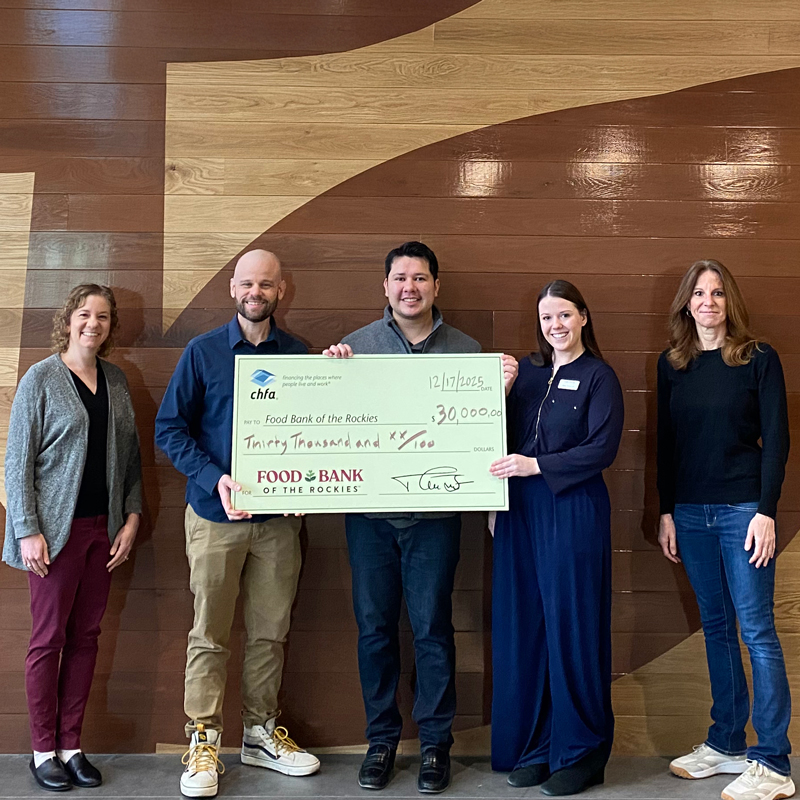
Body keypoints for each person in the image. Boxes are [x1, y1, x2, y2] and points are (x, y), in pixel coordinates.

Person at [325, 241, 517, 794]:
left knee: (433, 630)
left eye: (420, 278)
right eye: (400, 278)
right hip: (369, 518)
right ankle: (381, 740)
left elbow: (484, 437)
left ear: (437, 286)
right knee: (375, 631)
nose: (410, 287)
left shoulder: (468, 352)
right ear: (385, 286)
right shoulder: (353, 349)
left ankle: (436, 744)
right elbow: (328, 427)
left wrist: (498, 393)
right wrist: (327, 379)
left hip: (435, 517)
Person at [155, 250, 320, 798]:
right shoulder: (202, 353)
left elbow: (318, 432)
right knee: (210, 634)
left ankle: (258, 733)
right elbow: (170, 429)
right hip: (213, 517)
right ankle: (203, 741)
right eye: (248, 283)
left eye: (267, 283)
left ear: (282, 290)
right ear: (232, 289)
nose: (257, 291)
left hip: (277, 524)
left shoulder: (299, 355)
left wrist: (305, 485)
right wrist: (213, 479)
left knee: (270, 633)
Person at [657, 260, 793, 800]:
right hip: (690, 514)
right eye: (698, 293)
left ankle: (773, 762)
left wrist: (766, 511)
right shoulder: (673, 364)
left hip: (743, 512)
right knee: (715, 627)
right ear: (686, 303)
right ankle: (727, 743)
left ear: (728, 301)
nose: (708, 301)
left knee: (757, 631)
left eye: (716, 292)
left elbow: (777, 441)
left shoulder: (759, 359)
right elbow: (667, 445)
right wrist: (666, 510)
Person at [3, 284, 142, 792]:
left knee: (85, 639)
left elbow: (128, 460)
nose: (93, 323)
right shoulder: (40, 379)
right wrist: (27, 531)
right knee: (48, 642)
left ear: (110, 326)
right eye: (84, 314)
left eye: (103, 316)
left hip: (101, 532)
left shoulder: (117, 380)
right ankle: (43, 752)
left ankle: (71, 746)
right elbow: (15, 464)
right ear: (68, 320)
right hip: (50, 538)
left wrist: (131, 518)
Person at [489, 280, 623, 797]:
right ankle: (540, 746)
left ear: (584, 317)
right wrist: (496, 392)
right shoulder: (527, 377)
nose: (556, 326)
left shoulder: (599, 377)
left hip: (572, 512)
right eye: (547, 318)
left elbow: (601, 450)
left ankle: (583, 750)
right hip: (520, 515)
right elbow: (491, 438)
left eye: (564, 315)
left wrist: (535, 465)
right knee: (530, 629)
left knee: (572, 628)